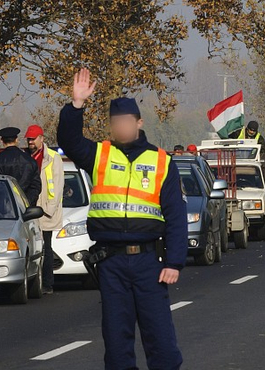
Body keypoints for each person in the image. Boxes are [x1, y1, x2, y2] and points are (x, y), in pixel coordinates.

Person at [57, 68, 187, 370]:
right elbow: (68, 139)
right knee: (116, 344)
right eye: (116, 123)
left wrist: (174, 262)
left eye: (127, 122)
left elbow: (176, 217)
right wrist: (76, 105)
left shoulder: (161, 161)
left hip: (148, 264)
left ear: (139, 123)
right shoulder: (100, 155)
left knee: (162, 343)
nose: (121, 127)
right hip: (111, 263)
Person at [26, 124, 64, 295]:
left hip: (46, 211)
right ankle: (33, 283)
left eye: (33, 139)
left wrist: (49, 209)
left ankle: (48, 284)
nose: (31, 142)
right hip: (31, 210)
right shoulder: (27, 157)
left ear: (42, 138)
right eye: (29, 139)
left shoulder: (53, 158)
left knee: (46, 248)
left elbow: (58, 185)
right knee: (32, 249)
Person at [0, 127, 42, 206]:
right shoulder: (30, 160)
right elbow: (36, 186)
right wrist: (26, 203)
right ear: (16, 140)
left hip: (6, 207)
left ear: (2, 141)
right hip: (27, 209)